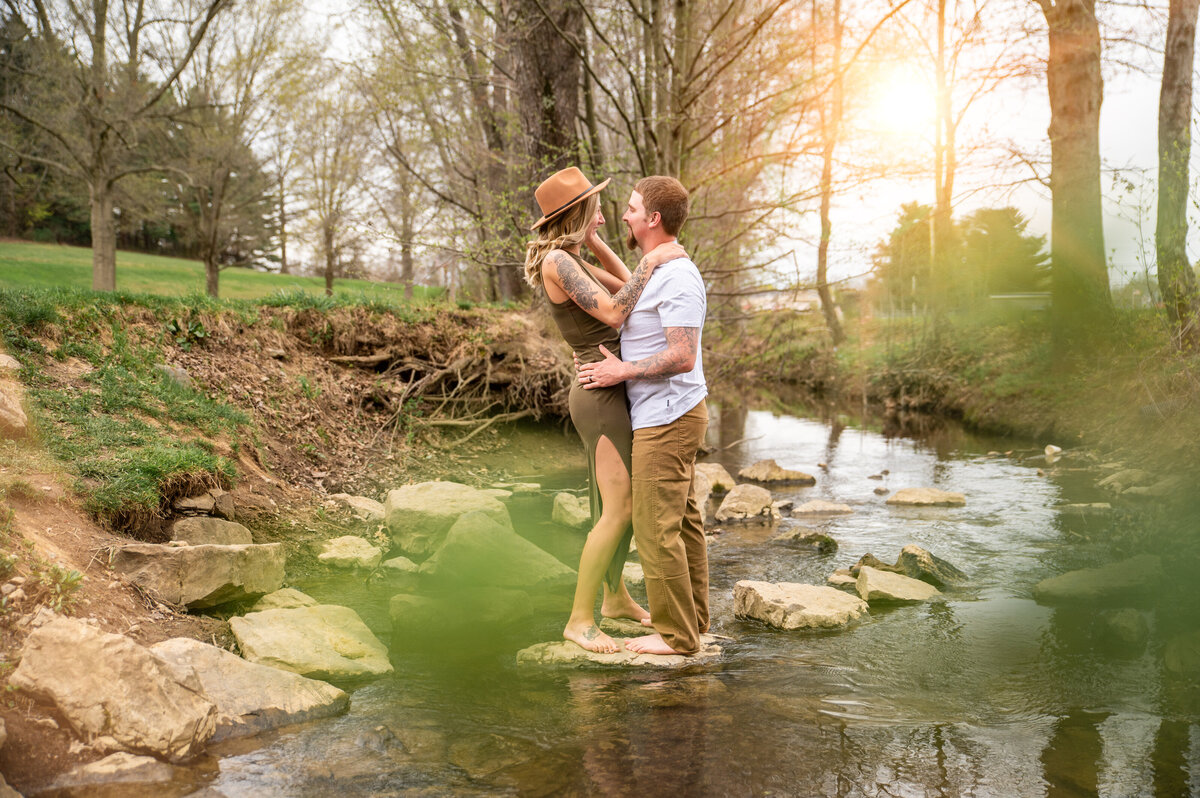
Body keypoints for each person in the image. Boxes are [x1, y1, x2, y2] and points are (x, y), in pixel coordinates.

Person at [525, 166, 686, 654]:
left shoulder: (571, 256)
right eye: (595, 204)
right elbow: (618, 312)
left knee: (615, 506)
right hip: (597, 393)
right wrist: (656, 258)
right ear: (579, 212)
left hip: (611, 385)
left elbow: (622, 286)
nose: (604, 210)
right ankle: (579, 619)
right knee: (619, 509)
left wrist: (602, 246)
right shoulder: (558, 261)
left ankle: (615, 598)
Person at [577, 176, 709, 656]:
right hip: (670, 413)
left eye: (632, 209)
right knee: (684, 522)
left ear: (653, 219)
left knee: (656, 528)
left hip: (668, 417)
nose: (625, 214)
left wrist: (621, 371)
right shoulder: (658, 267)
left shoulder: (676, 276)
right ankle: (693, 622)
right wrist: (592, 241)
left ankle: (677, 637)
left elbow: (683, 355)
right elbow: (623, 286)